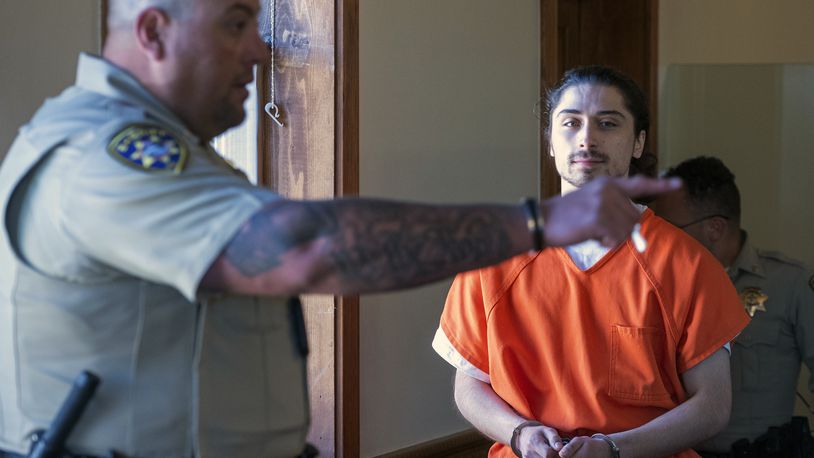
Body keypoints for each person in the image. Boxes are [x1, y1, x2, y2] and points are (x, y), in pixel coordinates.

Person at [0, 1, 682, 458]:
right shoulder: (102, 158)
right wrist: (539, 223)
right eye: (236, 24)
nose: (260, 51)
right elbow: (301, 248)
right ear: (152, 32)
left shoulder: (178, 154)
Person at [432, 66, 751, 458]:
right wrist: (521, 434)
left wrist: (615, 448)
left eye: (607, 123)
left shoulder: (688, 265)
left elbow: (712, 406)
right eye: (570, 123)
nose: (586, 138)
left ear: (638, 142)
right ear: (550, 141)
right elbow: (469, 386)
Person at [651, 156, 814, 458]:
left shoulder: (790, 284)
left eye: (671, 227)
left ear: (714, 228)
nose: (660, 238)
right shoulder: (657, 289)